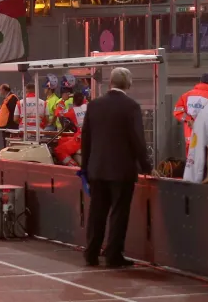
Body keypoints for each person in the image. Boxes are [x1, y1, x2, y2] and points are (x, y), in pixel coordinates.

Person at [81, 67, 152, 268]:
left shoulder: (94, 105)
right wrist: (146, 166)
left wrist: (85, 167)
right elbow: (138, 139)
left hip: (97, 169)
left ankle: (91, 253)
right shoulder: (131, 107)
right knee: (119, 213)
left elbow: (86, 139)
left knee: (97, 212)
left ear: (110, 83)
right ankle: (113, 255)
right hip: (122, 171)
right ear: (128, 84)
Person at [174, 74, 208, 152]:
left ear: (200, 81)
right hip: (207, 140)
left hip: (191, 139)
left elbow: (178, 112)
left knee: (191, 162)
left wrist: (189, 119)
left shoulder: (186, 95)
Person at [0, 83, 19, 150]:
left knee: (9, 146)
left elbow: (14, 112)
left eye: (0, 90)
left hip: (10, 127)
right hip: (6, 127)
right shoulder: (7, 99)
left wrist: (10, 125)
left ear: (4, 90)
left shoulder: (12, 98)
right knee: (6, 146)